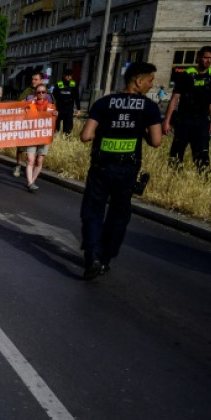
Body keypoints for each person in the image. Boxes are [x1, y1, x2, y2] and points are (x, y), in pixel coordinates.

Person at [79, 62, 163, 280]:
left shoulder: (104, 103)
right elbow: (156, 141)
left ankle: (92, 255)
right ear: (138, 81)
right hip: (127, 170)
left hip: (101, 167)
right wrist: (140, 131)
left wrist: (105, 133)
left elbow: (86, 136)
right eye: (150, 80)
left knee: (93, 210)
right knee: (119, 214)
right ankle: (105, 259)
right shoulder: (149, 107)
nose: (151, 85)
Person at [163, 46, 211, 175]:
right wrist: (167, 121)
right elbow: (174, 98)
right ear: (198, 57)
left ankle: (204, 180)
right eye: (205, 57)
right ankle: (174, 176)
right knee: (178, 150)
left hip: (202, 120)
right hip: (185, 119)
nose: (208, 61)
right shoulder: (187, 74)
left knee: (203, 152)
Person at [23, 84, 57, 192]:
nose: (41, 94)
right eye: (39, 92)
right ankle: (30, 183)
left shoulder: (51, 107)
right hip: (32, 136)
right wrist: (28, 107)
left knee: (40, 160)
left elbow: (53, 121)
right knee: (30, 159)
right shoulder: (30, 105)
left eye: (43, 92)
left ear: (46, 93)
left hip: (44, 136)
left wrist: (55, 115)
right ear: (35, 94)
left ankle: (31, 181)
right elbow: (23, 115)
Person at [14, 71, 44, 177]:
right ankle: (18, 165)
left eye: (36, 79)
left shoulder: (45, 92)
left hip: (38, 125)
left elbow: (51, 105)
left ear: (41, 81)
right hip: (26, 123)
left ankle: (30, 167)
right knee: (21, 147)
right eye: (32, 79)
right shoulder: (28, 91)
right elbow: (19, 102)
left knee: (36, 149)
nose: (33, 81)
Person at [51, 68, 80, 134]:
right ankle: (56, 136)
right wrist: (52, 107)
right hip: (59, 108)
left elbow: (77, 97)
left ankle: (66, 137)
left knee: (68, 128)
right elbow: (53, 97)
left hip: (69, 109)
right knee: (56, 126)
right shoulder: (58, 84)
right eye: (67, 75)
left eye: (70, 75)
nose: (68, 77)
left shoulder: (74, 84)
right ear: (64, 75)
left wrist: (79, 109)